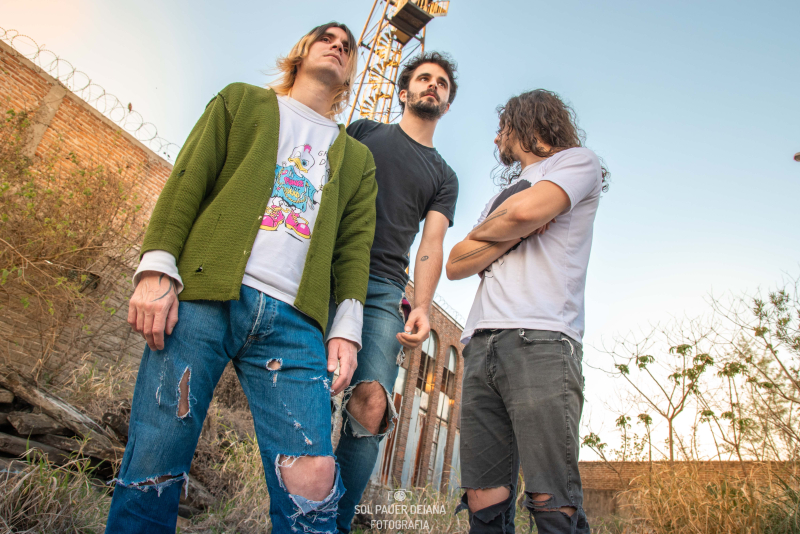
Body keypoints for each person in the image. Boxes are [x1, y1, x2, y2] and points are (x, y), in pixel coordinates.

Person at [105, 22, 378, 534]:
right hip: (203, 298)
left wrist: (346, 330)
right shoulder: (241, 102)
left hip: (296, 324)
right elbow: (189, 178)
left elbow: (354, 248)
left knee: (314, 478)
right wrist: (157, 269)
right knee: (156, 458)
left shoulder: (359, 160)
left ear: (350, 75)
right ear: (301, 52)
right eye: (327, 38)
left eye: (348, 46)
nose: (339, 45)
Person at [446, 89, 608, 533]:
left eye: (502, 126)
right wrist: (519, 227)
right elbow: (456, 263)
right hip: (480, 344)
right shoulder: (501, 197)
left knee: (550, 498)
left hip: (541, 338)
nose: (496, 136)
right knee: (483, 498)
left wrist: (512, 225)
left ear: (525, 121)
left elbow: (525, 214)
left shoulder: (577, 162)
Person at [333, 51, 459, 533]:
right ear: (404, 92)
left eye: (442, 83)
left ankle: (334, 523)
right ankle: (294, 513)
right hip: (326, 270)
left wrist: (422, 305)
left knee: (372, 403)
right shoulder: (363, 131)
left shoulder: (444, 176)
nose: (433, 85)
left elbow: (431, 243)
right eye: (424, 78)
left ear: (446, 104)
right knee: (307, 389)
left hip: (384, 286)